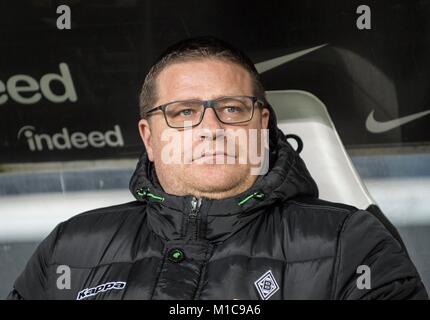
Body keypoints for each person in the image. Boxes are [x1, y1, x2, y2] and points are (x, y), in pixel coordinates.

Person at [7, 36, 428, 300]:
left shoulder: (349, 243)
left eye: (231, 108)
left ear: (262, 125)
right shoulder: (70, 247)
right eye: (184, 112)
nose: (211, 128)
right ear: (149, 138)